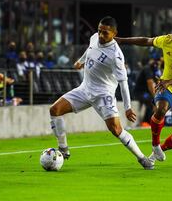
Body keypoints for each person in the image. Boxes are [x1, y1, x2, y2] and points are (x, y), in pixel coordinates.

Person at [49, 16, 154, 170]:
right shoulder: (94, 38)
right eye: (99, 31)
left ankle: (142, 158)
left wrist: (128, 107)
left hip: (103, 95)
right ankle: (63, 149)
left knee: (117, 130)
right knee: (55, 110)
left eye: (105, 33)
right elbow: (89, 50)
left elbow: (123, 83)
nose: (101, 35)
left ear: (114, 33)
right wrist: (80, 61)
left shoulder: (116, 56)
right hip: (84, 89)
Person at [115, 20, 172, 164]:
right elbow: (146, 40)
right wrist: (121, 40)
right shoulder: (168, 40)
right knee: (161, 109)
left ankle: (156, 152)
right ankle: (155, 144)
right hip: (166, 87)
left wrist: (169, 81)